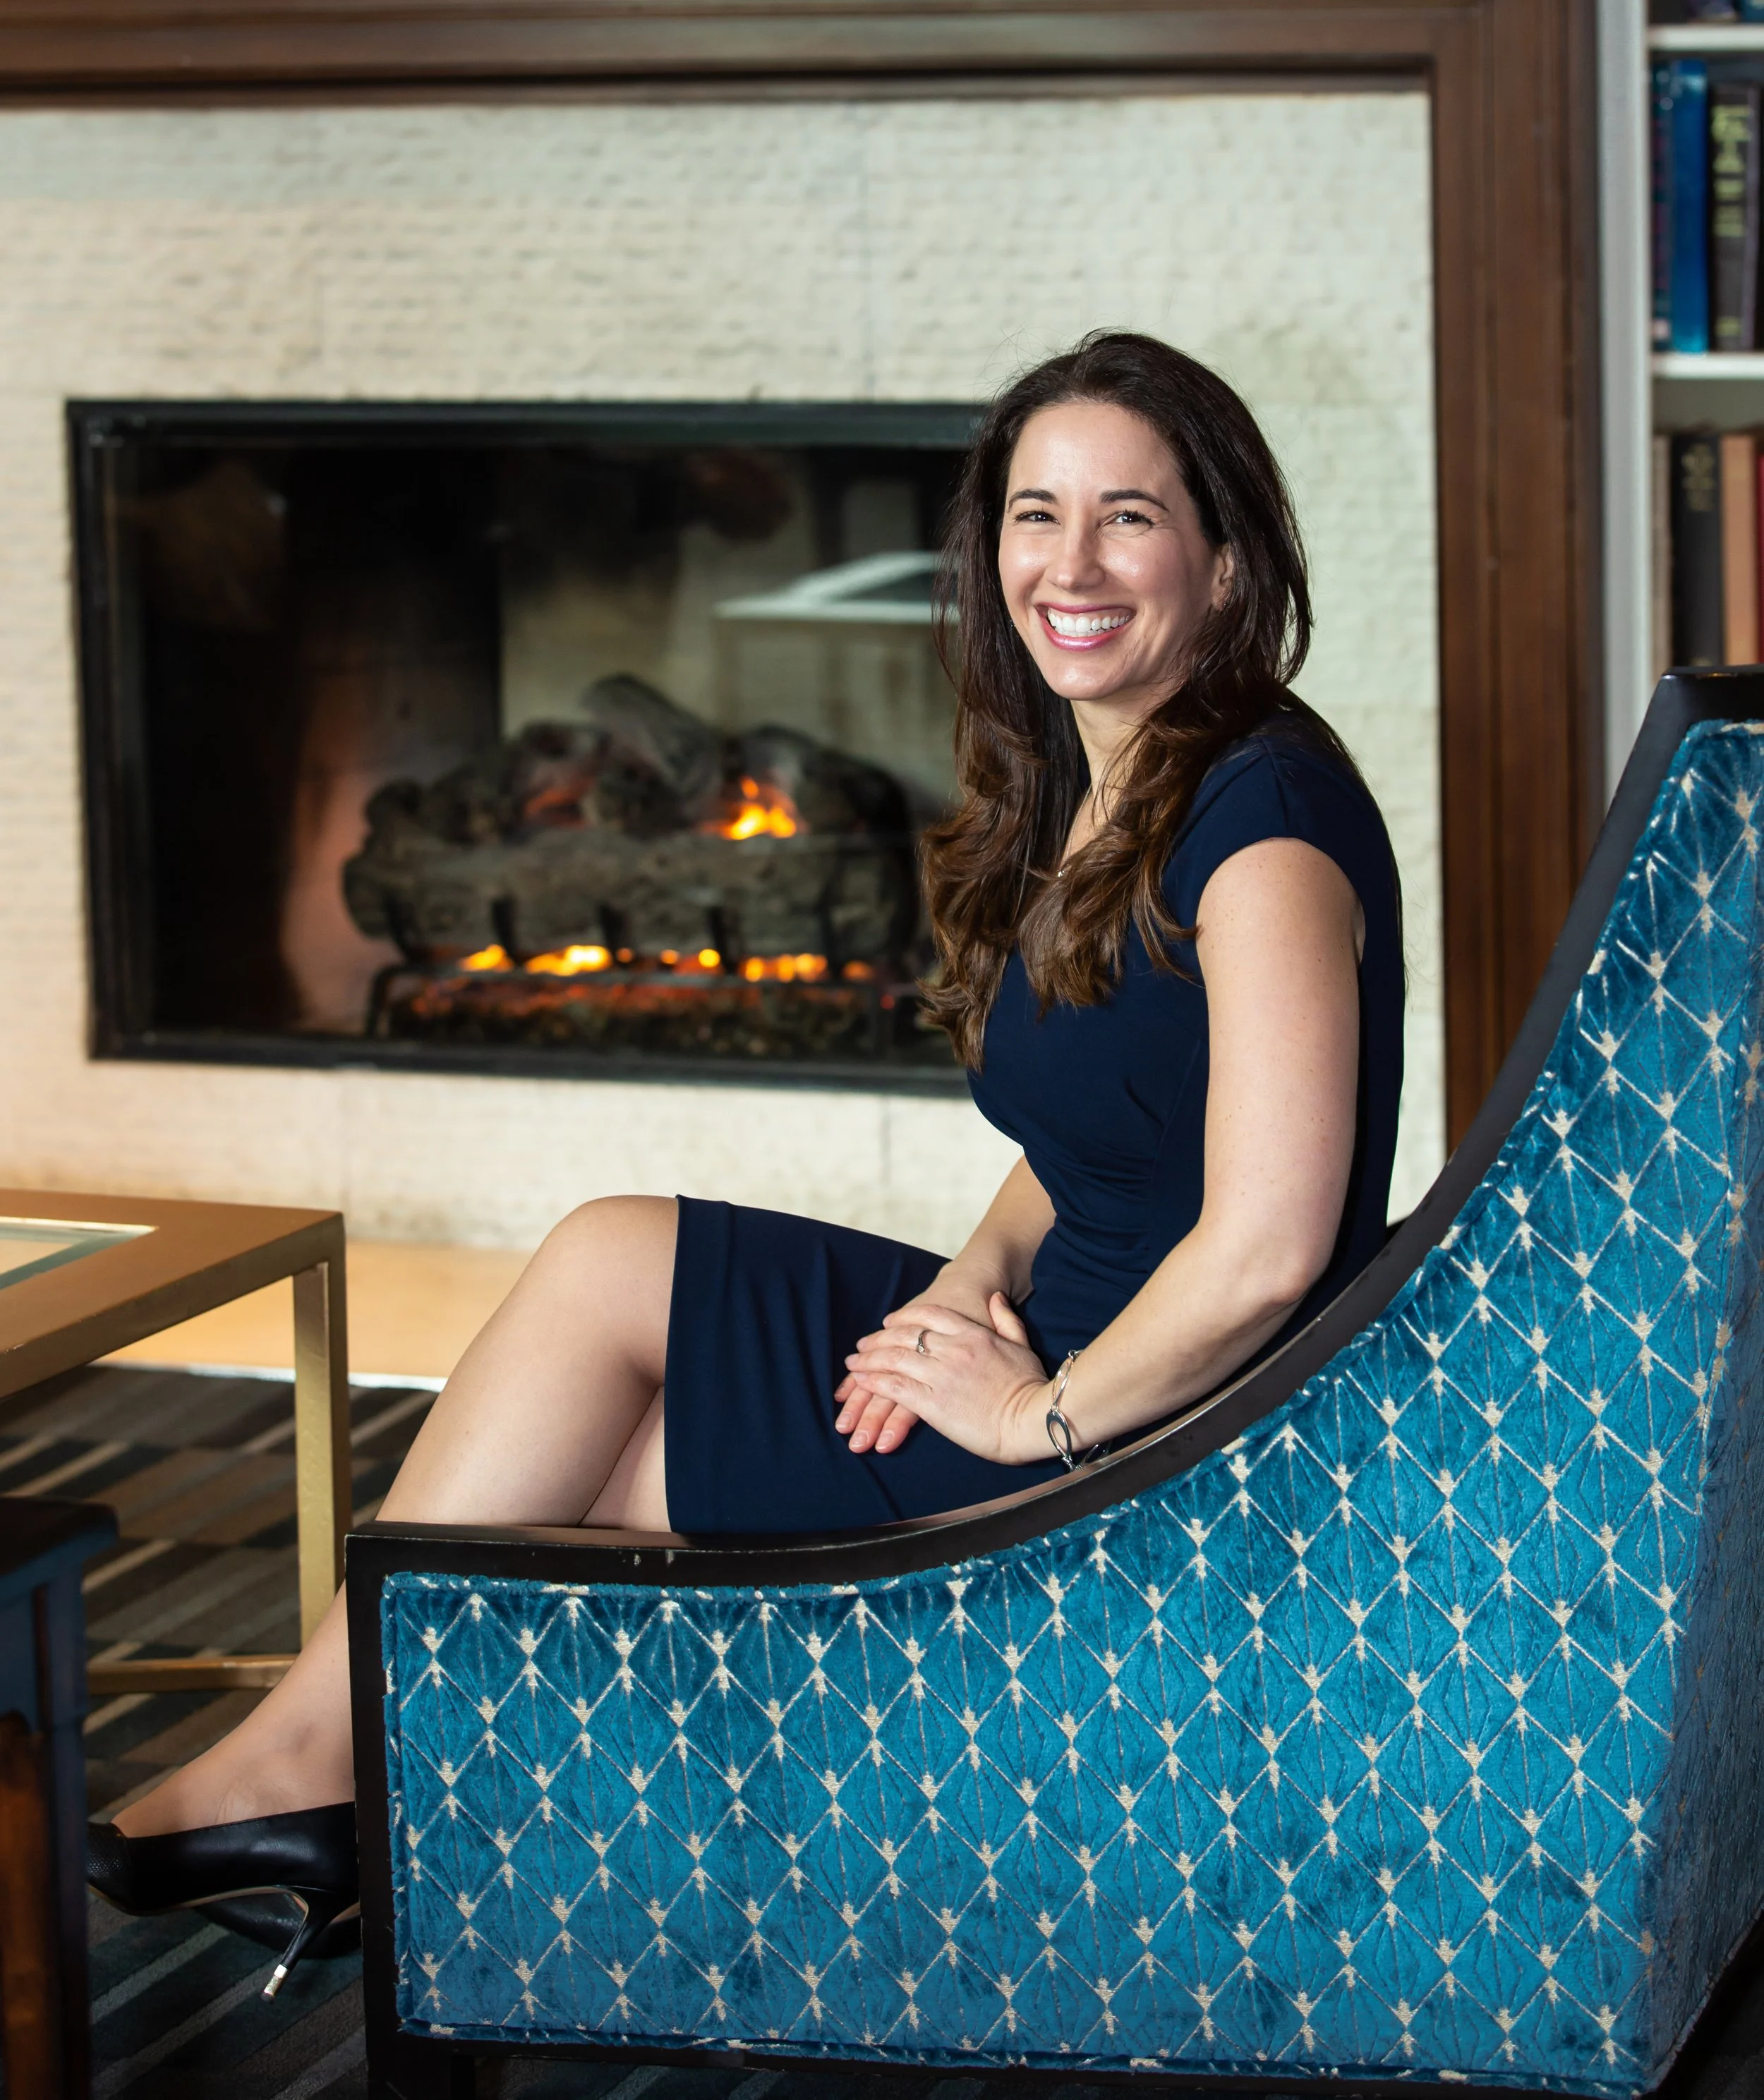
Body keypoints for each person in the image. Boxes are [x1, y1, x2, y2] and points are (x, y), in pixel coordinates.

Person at [86, 329, 1404, 1992]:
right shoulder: (1109, 790)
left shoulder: (1264, 828)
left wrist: (1026, 1412)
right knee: (610, 1257)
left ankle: (364, 1806)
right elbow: (1095, 1136)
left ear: (1220, 566)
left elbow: (1271, 1243)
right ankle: (343, 1783)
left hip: (1158, 1436)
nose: (1066, 564)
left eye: (1127, 516)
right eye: (1032, 512)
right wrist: (952, 1296)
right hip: (1052, 1340)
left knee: (606, 1472)